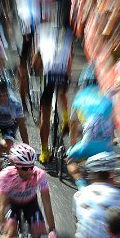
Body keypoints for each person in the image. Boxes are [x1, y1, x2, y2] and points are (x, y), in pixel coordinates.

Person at [0, 143, 59, 238]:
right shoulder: (4, 176)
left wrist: (52, 230)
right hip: (13, 204)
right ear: (16, 167)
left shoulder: (40, 174)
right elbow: (1, 207)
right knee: (10, 232)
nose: (30, 171)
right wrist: (2, 228)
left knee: (41, 233)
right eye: (25, 168)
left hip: (31, 203)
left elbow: (46, 203)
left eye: (31, 166)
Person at [66, 65, 115, 190]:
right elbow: (111, 126)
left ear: (82, 83)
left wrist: (73, 145)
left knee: (70, 160)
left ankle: (81, 185)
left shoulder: (78, 99)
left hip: (87, 146)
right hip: (107, 149)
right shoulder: (107, 97)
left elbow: (73, 128)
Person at [34, 20, 73, 164]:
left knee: (45, 114)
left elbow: (36, 62)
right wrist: (67, 77)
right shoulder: (67, 35)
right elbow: (69, 60)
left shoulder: (42, 34)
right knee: (62, 93)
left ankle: (45, 152)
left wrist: (35, 70)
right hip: (62, 74)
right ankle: (65, 118)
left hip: (49, 76)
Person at [0, 71, 29, 152]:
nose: (2, 98)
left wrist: (27, 147)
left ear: (9, 93)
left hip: (9, 127)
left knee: (7, 146)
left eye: (5, 95)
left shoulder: (15, 104)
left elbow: (22, 126)